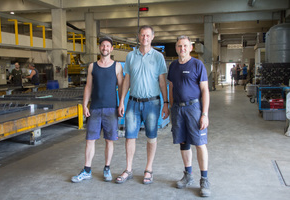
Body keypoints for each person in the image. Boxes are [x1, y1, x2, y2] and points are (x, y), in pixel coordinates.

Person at [116, 25, 169, 184]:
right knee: (129, 136)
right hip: (133, 102)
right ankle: (128, 169)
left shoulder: (158, 57)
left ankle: (148, 169)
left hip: (152, 103)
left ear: (152, 37)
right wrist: (121, 101)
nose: (145, 38)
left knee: (151, 136)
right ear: (138, 37)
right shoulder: (130, 56)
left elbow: (162, 81)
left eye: (148, 35)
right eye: (142, 35)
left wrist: (165, 103)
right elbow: (127, 80)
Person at [71, 36, 123, 183]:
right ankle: (87, 170)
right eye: (103, 46)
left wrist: (121, 104)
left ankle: (107, 168)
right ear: (99, 48)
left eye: (108, 46)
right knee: (90, 140)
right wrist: (85, 105)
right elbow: (88, 86)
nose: (105, 48)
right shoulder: (92, 66)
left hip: (111, 109)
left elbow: (121, 86)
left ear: (111, 49)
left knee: (109, 140)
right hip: (94, 108)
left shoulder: (117, 66)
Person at [167, 36, 211, 197]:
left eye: (185, 46)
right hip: (178, 109)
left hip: (194, 108)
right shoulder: (173, 66)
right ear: (176, 47)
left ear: (190, 47)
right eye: (179, 46)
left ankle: (204, 179)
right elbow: (171, 86)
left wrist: (204, 114)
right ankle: (188, 175)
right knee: (183, 142)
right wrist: (171, 107)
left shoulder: (198, 65)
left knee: (200, 143)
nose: (182, 48)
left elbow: (205, 90)